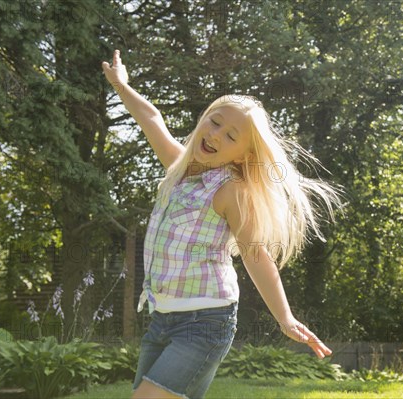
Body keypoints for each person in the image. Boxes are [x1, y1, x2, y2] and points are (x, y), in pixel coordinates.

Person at [102, 50, 340, 399]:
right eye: (215, 122)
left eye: (231, 136)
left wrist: (285, 318)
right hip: (162, 320)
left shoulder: (231, 191)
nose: (215, 136)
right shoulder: (179, 166)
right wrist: (121, 85)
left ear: (242, 155)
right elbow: (152, 118)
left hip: (205, 321)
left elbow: (256, 255)